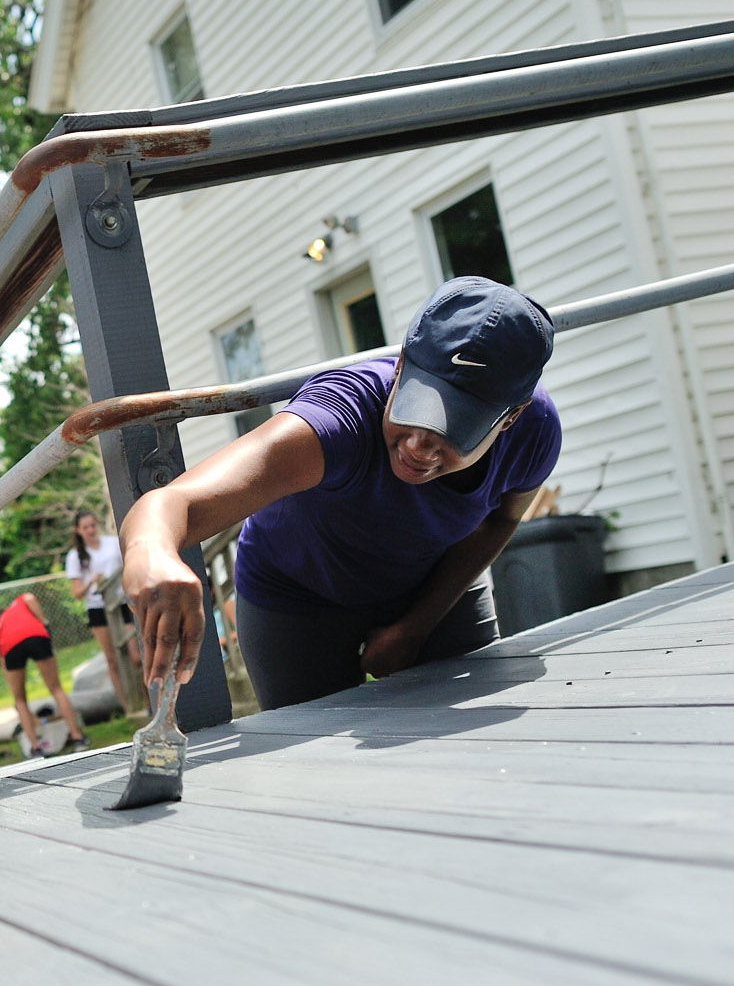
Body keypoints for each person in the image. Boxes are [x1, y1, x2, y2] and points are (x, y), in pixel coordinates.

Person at [121, 276, 561, 710]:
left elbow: (500, 520)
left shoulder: (534, 432)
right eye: (416, 407)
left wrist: (415, 626)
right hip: (298, 597)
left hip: (434, 584)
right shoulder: (338, 418)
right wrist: (152, 554)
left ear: (510, 417)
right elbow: (171, 503)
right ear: (403, 363)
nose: (418, 446)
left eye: (455, 428)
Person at [0, 591, 87, 755]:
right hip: (36, 636)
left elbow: (3, 660)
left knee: (20, 700)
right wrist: (44, 622)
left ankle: (35, 747)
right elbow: (30, 598)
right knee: (56, 688)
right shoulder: (21, 599)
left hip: (10, 647)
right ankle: (77, 737)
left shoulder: (0, 626)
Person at [63, 509, 137, 702]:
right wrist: (91, 581)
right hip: (98, 609)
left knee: (135, 655)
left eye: (92, 525)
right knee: (112, 659)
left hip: (121, 603)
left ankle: (146, 700)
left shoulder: (112, 543)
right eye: (85, 527)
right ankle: (127, 704)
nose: (90, 530)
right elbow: (77, 593)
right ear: (78, 530)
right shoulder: (75, 556)